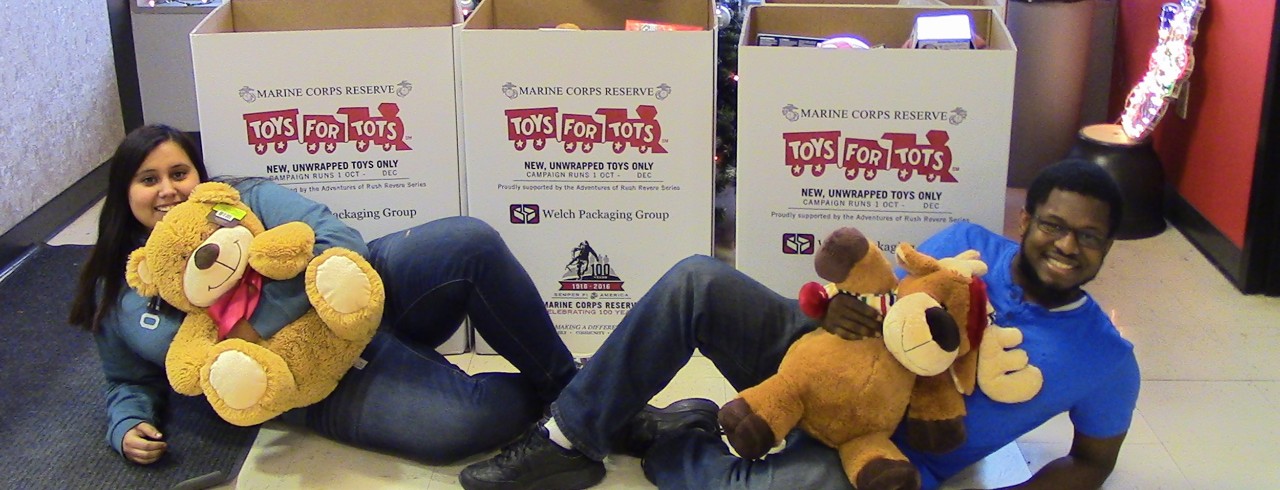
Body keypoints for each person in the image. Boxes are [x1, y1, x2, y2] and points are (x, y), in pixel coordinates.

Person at [459, 157, 1140, 490]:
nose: (1066, 245)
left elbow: (1091, 462)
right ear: (1027, 219)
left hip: (881, 456)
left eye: (1089, 236)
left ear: (1110, 244)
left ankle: (676, 440)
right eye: (1053, 224)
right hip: (822, 367)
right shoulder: (966, 244)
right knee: (698, 280)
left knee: (808, 487)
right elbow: (878, 300)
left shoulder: (1108, 359)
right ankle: (569, 437)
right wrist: (838, 304)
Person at [70, 124, 586, 465]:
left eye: (179, 173)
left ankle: (578, 391)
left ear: (198, 175)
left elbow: (340, 240)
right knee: (463, 425)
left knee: (467, 241)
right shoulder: (118, 289)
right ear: (123, 193)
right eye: (148, 179)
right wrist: (127, 423)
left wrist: (257, 323)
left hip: (355, 301)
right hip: (313, 384)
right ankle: (543, 400)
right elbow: (126, 378)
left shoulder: (240, 200)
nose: (168, 190)